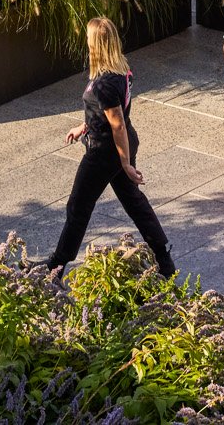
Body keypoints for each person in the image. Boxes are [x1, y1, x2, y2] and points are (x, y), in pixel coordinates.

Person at [41, 17, 175, 277]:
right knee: (134, 202)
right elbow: (106, 113)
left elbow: (118, 125)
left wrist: (125, 163)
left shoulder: (104, 84)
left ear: (97, 44)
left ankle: (55, 267)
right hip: (115, 144)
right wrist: (84, 125)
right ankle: (164, 259)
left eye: (89, 39)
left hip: (106, 151)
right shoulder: (119, 70)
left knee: (78, 207)